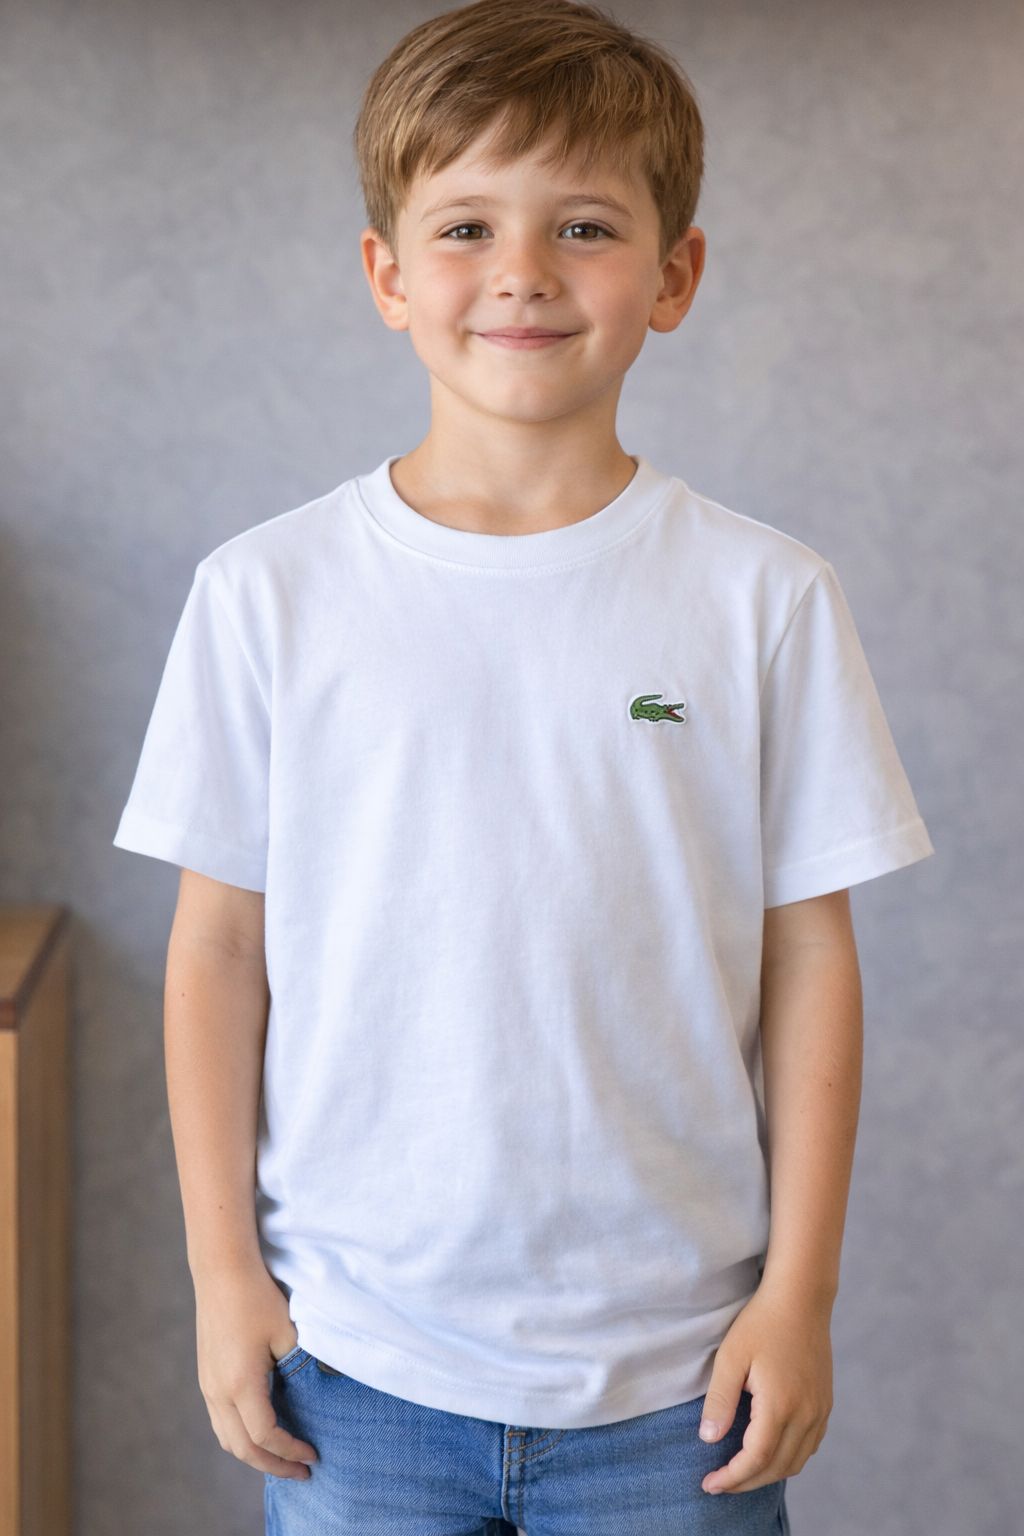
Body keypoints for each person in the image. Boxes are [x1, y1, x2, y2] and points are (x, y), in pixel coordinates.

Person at [112, 1, 936, 1531]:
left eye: (585, 225)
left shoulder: (764, 597)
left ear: (675, 274)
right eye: (466, 226)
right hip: (353, 1367)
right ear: (387, 275)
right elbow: (218, 949)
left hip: (680, 1385)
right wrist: (225, 1279)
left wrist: (800, 1295)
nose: (523, 271)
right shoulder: (267, 593)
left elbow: (810, 956)